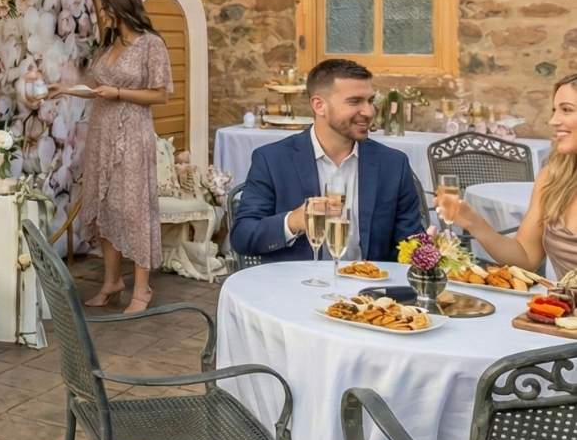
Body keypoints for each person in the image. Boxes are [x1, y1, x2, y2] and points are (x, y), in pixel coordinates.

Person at [231, 58, 424, 263]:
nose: (369, 112)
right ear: (319, 105)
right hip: (297, 282)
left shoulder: (393, 164)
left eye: (370, 100)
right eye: (355, 101)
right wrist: (293, 222)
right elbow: (243, 236)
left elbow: (411, 242)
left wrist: (427, 250)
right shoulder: (272, 160)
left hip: (368, 282)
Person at [61, 0, 172, 313]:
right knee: (106, 206)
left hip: (133, 135)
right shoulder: (108, 44)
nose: (102, 13)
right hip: (101, 133)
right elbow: (96, 87)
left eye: (105, 8)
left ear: (121, 7)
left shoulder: (151, 44)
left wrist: (120, 93)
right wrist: (62, 89)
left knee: (134, 209)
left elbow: (161, 95)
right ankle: (111, 282)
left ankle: (142, 287)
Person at [435, 72, 577, 279]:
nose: (553, 121)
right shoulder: (552, 178)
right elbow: (526, 258)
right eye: (554, 110)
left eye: (567, 110)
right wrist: (473, 222)